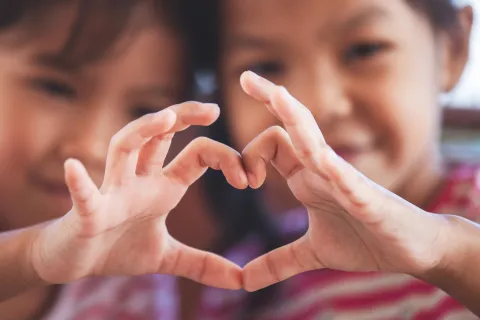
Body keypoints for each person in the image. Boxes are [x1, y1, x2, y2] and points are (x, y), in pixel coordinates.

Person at [198, 0, 480, 318]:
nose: (320, 104)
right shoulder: (241, 283)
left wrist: (449, 254)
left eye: (364, 50)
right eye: (266, 67)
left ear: (452, 49)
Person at [0, 0, 245, 319]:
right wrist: (33, 258)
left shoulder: (129, 284)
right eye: (56, 88)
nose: (93, 146)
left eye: (143, 112)